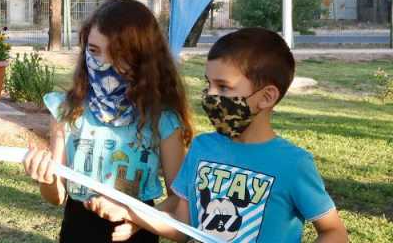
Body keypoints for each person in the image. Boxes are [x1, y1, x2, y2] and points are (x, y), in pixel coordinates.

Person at [85, 28, 349, 243]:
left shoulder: (294, 164)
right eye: (208, 84)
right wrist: (130, 213)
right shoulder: (201, 148)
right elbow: (181, 225)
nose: (211, 95)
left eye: (223, 87)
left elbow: (333, 232)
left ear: (266, 97)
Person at [23, 0, 195, 242]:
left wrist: (137, 218)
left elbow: (178, 199)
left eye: (117, 54)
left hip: (136, 234)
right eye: (93, 51)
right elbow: (56, 197)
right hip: (77, 231)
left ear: (143, 59)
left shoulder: (163, 121)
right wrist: (46, 178)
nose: (102, 63)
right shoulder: (66, 110)